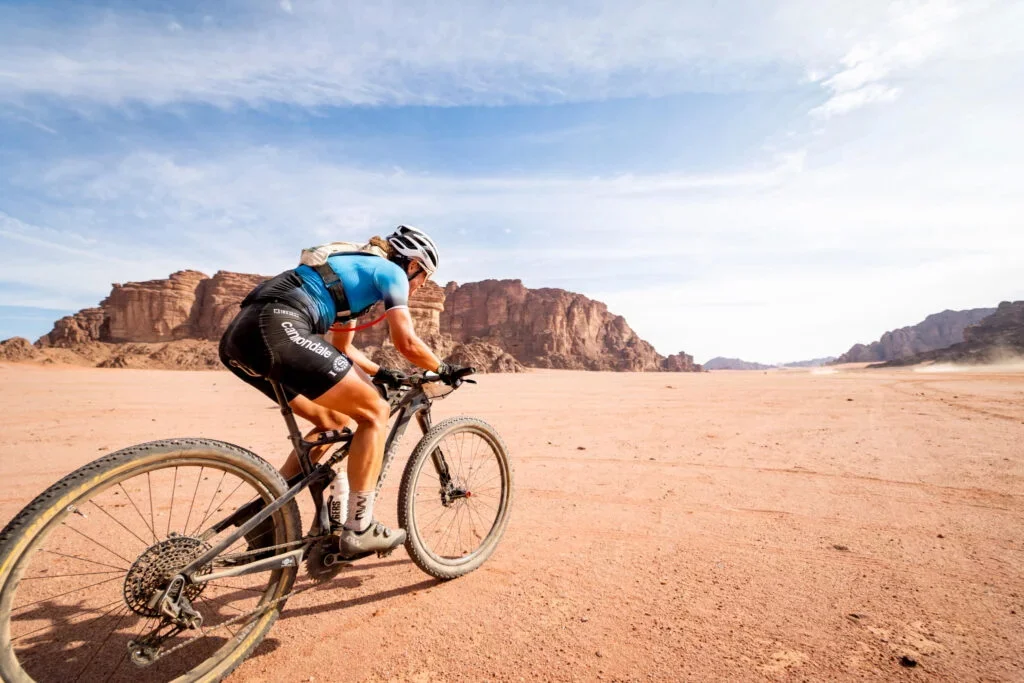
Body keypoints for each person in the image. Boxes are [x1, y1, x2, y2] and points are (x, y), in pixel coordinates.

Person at [218, 225, 464, 557]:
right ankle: (360, 527)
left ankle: (267, 508)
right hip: (278, 326)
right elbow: (406, 341)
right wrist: (443, 368)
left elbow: (343, 349)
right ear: (412, 265)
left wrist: (381, 372)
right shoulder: (391, 271)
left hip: (240, 337)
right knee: (375, 412)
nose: (420, 286)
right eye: (423, 276)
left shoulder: (345, 278)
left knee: (332, 422)